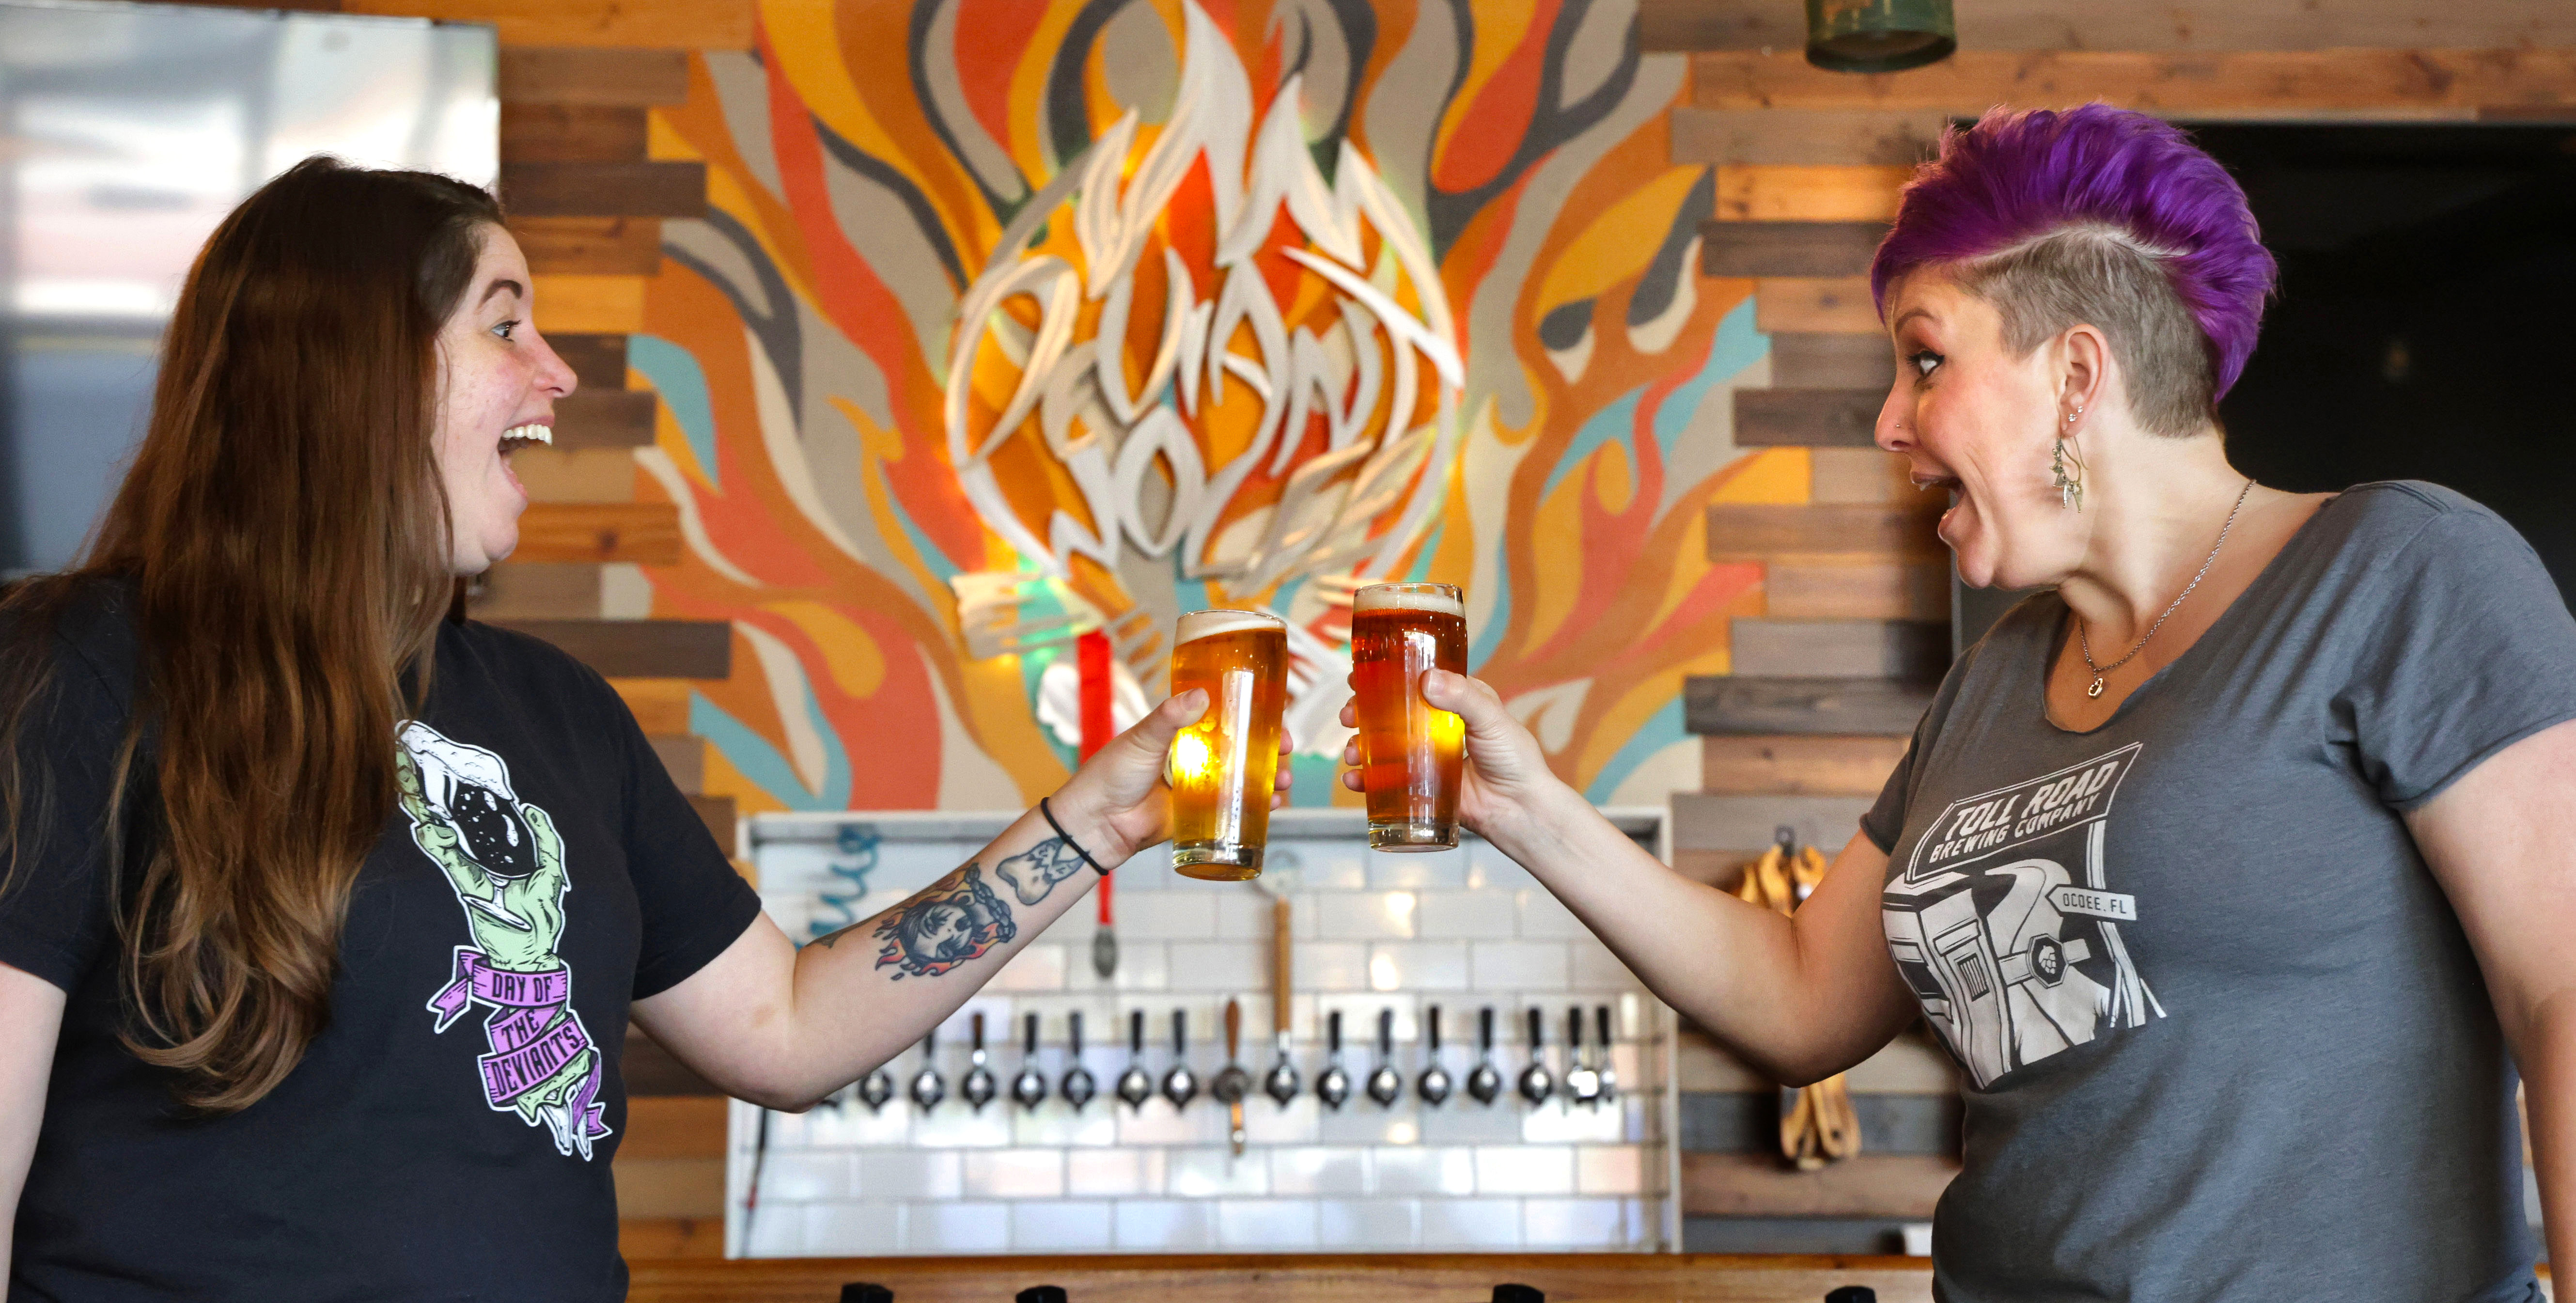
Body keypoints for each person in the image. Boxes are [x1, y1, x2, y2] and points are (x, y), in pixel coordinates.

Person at [0, 157, 1274, 1298]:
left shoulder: (555, 712)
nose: (556, 372)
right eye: (505, 325)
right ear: (356, 368)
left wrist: (1084, 829)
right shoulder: (72, 674)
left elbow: (782, 1026)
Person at [1363, 105, 2576, 1299]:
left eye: (1926, 359)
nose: (1890, 421)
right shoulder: (1996, 674)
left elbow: (2561, 995)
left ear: (2075, 375)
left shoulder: (2397, 573)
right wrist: (1525, 812)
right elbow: (1799, 997)